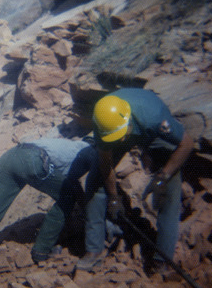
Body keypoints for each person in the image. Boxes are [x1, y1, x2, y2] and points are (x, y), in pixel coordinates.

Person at [0, 138, 97, 288]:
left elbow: (71, 183)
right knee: (68, 197)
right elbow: (80, 188)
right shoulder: (88, 151)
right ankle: (41, 250)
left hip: (9, 158)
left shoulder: (68, 144)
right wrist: (92, 216)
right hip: (33, 160)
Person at [76, 89, 194, 273]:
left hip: (149, 132)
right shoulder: (104, 123)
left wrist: (163, 177)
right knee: (94, 183)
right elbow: (105, 163)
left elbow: (186, 144)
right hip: (120, 129)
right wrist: (113, 197)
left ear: (128, 119)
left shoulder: (155, 118)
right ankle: (94, 250)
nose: (122, 139)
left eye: (122, 134)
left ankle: (162, 260)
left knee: (170, 192)